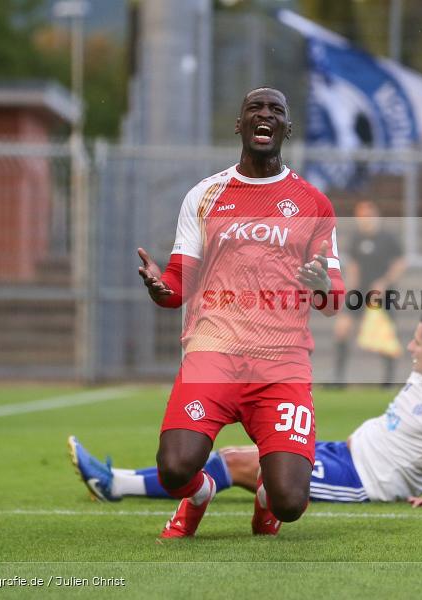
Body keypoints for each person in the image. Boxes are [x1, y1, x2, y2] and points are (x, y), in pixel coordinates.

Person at [136, 87, 345, 538]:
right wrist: (160, 288)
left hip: (281, 363)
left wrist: (324, 286)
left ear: (287, 128)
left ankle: (267, 499)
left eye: (276, 110)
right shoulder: (205, 195)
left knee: (291, 502)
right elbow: (178, 285)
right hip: (214, 352)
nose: (264, 115)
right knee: (174, 469)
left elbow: (334, 301)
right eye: (255, 107)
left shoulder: (313, 204)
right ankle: (199, 493)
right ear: (239, 124)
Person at [69, 311, 422, 509]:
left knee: (234, 462)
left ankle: (116, 484)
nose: (410, 348)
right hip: (342, 453)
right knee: (242, 456)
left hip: (361, 480)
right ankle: (121, 481)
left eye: (418, 343)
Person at [332, 200, 406, 386]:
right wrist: (350, 288)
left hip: (382, 295)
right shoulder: (356, 239)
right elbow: (354, 267)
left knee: (384, 336)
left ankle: (387, 380)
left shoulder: (387, 239)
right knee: (342, 329)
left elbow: (399, 263)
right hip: (360, 292)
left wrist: (384, 283)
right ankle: (338, 379)